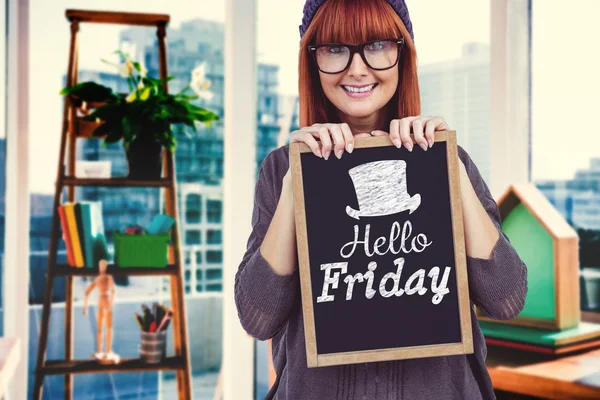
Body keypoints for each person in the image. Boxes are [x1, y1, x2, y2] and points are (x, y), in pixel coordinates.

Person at [235, 0, 528, 398]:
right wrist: (296, 182)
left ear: (402, 55)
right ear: (313, 60)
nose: (357, 68)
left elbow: (506, 298)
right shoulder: (281, 169)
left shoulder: (447, 160)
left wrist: (448, 168)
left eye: (376, 45)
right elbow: (257, 317)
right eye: (335, 48)